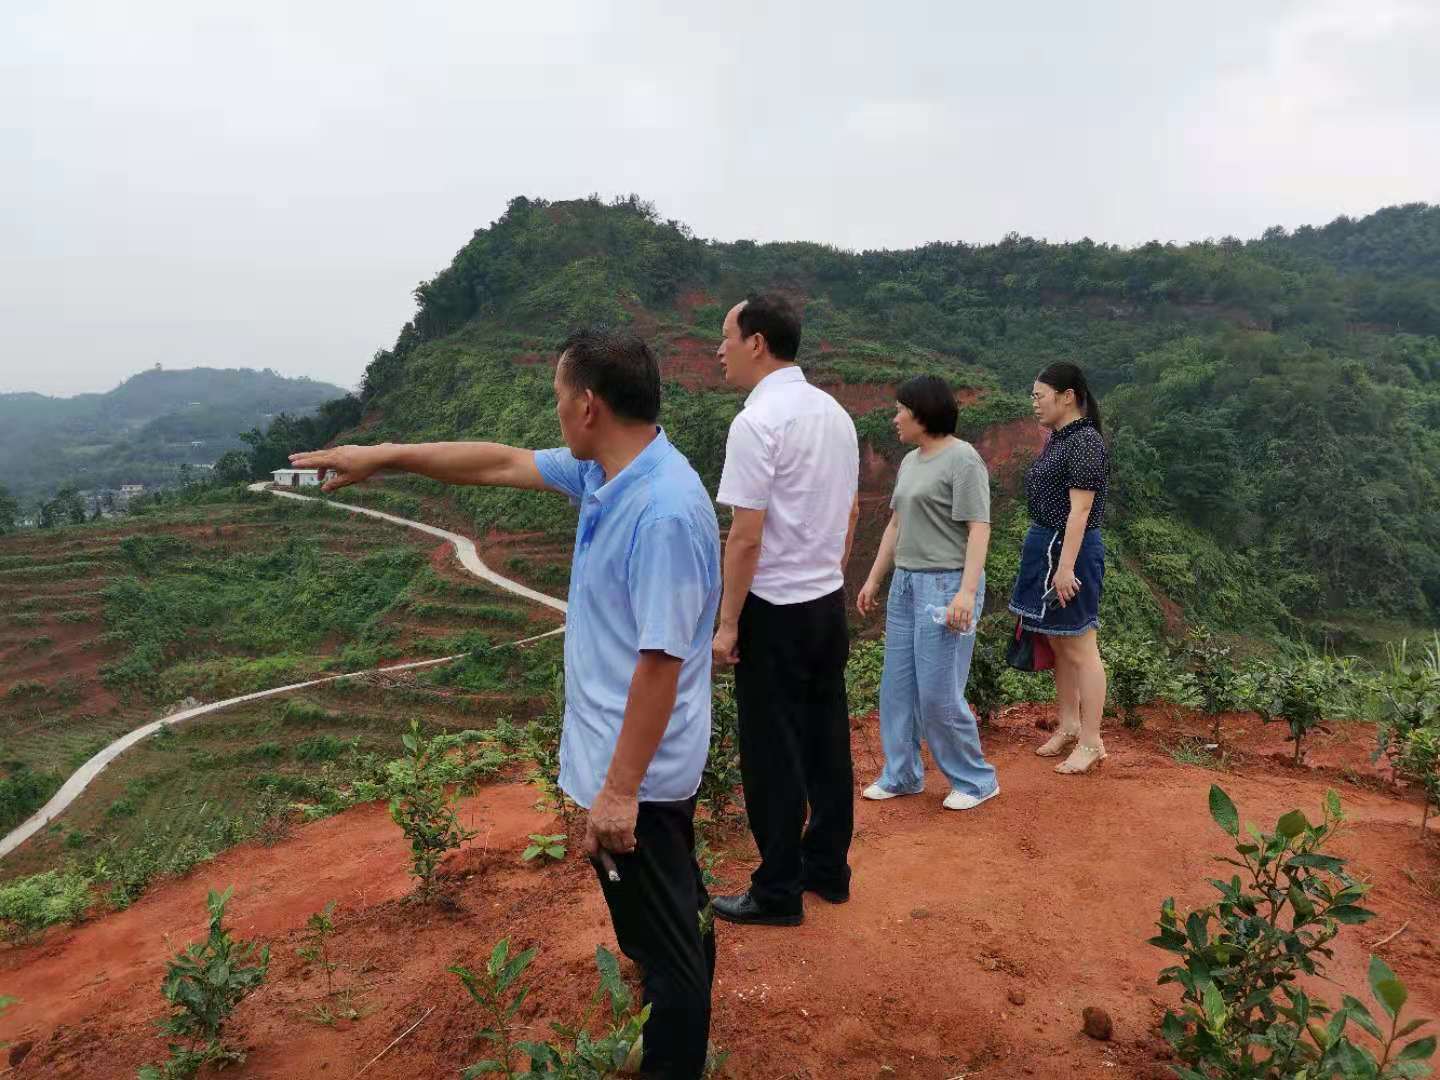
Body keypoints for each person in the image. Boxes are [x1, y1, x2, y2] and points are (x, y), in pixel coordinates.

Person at [290, 329, 721, 1080]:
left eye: (558, 397)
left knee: (666, 949)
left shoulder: (663, 512)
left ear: (588, 406)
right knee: (669, 920)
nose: (554, 412)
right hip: (625, 763)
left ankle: (674, 1059)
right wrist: (381, 456)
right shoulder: (608, 474)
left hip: (641, 776)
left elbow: (662, 663)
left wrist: (619, 792)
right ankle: (668, 1038)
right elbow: (498, 461)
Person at [709, 292, 860, 927]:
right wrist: (830, 575)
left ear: (757, 343)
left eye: (726, 338)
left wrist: (728, 624)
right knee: (826, 741)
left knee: (772, 752)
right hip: (825, 602)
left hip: (774, 610)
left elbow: (745, 536)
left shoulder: (756, 423)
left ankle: (777, 891)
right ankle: (827, 869)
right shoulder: (835, 414)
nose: (719, 351)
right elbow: (850, 513)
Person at [855, 375, 998, 810]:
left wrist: (966, 594)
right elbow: (896, 525)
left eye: (901, 409)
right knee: (897, 687)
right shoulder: (910, 461)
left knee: (938, 693)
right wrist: (874, 578)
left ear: (923, 413)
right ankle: (902, 774)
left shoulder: (963, 459)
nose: (895, 417)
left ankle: (976, 780)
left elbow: (979, 529)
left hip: (946, 584)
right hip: (906, 585)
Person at [1008, 361, 1110, 775]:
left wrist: (1065, 567)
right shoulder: (1059, 439)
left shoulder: (1084, 442)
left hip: (1069, 550)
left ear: (1067, 396)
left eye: (1040, 395)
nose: (1034, 403)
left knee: (1081, 646)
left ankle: (1092, 740)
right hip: (1046, 544)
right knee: (1059, 641)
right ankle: (1069, 725)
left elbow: (1080, 510)